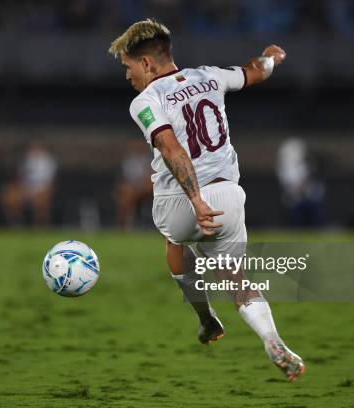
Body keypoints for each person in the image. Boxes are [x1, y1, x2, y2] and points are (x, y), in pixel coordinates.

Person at [109, 19, 305, 381]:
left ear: (147, 64)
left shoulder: (146, 100)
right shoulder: (210, 76)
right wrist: (271, 58)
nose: (127, 75)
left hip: (186, 202)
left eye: (128, 66)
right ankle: (273, 339)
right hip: (230, 198)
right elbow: (253, 72)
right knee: (238, 281)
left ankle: (204, 318)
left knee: (174, 241)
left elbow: (170, 148)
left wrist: (195, 199)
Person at [0, 144, 57, 227]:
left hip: (41, 188)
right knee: (10, 196)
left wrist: (36, 189)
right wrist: (24, 189)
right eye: (33, 149)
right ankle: (16, 225)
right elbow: (21, 178)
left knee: (40, 200)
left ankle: (40, 226)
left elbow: (48, 180)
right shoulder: (25, 161)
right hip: (25, 187)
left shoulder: (48, 162)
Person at [115, 140, 153, 229]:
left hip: (148, 188)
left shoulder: (150, 160)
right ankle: (124, 226)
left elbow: (152, 176)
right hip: (133, 189)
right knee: (126, 195)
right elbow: (124, 180)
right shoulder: (129, 162)